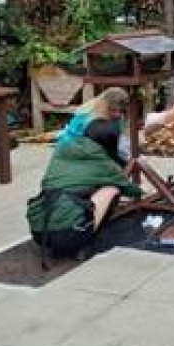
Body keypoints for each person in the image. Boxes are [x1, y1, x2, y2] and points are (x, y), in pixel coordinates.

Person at [26, 88, 142, 261]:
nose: (118, 115)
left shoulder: (63, 149)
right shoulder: (102, 157)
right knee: (112, 188)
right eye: (115, 111)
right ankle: (86, 242)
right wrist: (137, 189)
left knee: (75, 187)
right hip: (68, 234)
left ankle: (66, 228)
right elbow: (128, 188)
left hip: (38, 229)